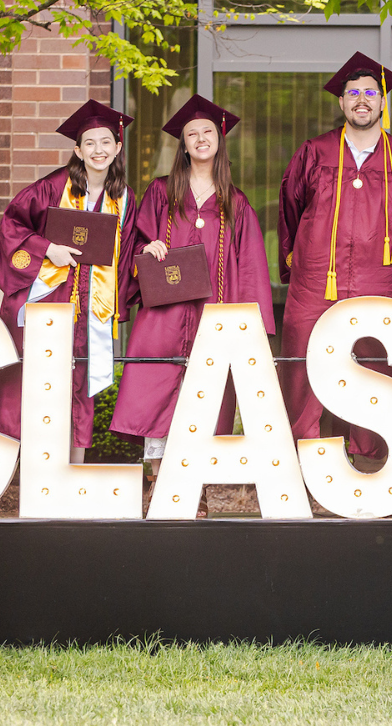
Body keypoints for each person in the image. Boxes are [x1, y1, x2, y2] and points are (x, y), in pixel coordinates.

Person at [278, 53, 392, 471]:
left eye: (371, 93)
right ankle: (302, 461)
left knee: (371, 363)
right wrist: (298, 260)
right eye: (353, 94)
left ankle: (368, 460)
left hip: (377, 282)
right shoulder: (314, 152)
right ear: (341, 103)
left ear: (383, 102)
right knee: (305, 358)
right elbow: (289, 209)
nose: (362, 100)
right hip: (316, 280)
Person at [111, 96, 274, 506]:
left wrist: (250, 328)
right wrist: (146, 253)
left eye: (208, 132)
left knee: (205, 397)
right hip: (163, 315)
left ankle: (194, 488)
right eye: (192, 134)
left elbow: (251, 267)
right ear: (182, 145)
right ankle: (157, 484)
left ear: (219, 140)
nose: (201, 139)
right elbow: (135, 243)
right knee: (157, 394)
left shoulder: (236, 203)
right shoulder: (162, 192)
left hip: (212, 317)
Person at [0, 99, 135, 462]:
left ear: (117, 147)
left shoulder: (124, 198)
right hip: (47, 300)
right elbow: (10, 226)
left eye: (105, 142)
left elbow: (128, 250)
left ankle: (74, 472)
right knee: (25, 381)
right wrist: (47, 248)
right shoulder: (52, 187)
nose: (99, 150)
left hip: (88, 310)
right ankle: (8, 467)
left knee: (79, 384)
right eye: (90, 143)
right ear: (78, 150)